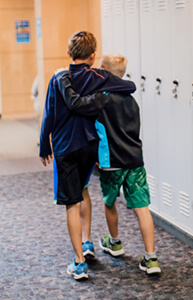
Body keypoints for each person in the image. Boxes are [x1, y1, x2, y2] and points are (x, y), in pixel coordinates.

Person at [40, 31, 136, 280]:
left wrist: (43, 144)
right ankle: (87, 241)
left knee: (72, 202)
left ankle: (79, 262)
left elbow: (49, 113)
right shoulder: (98, 76)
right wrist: (98, 95)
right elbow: (130, 86)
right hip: (89, 145)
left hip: (64, 147)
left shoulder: (59, 77)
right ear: (93, 56)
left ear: (69, 53)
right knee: (83, 190)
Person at [56, 53, 161, 275]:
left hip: (111, 162)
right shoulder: (131, 100)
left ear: (102, 73)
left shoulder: (102, 99)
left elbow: (76, 104)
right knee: (142, 207)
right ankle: (151, 258)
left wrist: (63, 80)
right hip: (135, 161)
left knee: (110, 202)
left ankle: (114, 242)